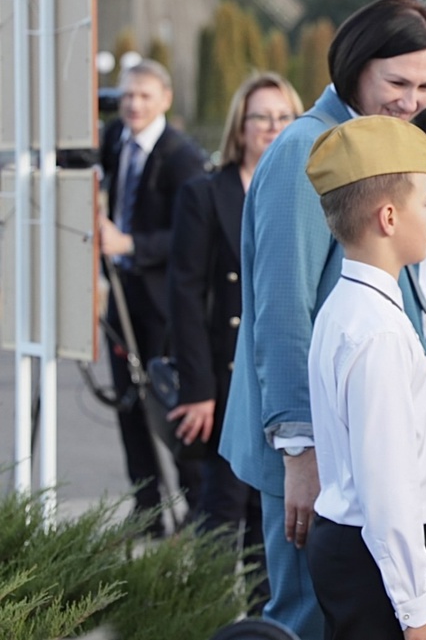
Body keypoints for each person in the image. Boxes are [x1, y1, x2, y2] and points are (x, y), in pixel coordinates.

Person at [219, 0, 426, 640]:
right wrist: (301, 451)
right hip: (318, 451)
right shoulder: (308, 149)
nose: (412, 100)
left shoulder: (384, 145)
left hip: (364, 448)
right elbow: (282, 310)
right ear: (355, 68)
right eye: (397, 81)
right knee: (307, 620)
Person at [304, 115, 426, 640]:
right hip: (377, 561)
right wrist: (418, 612)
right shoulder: (378, 332)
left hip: (360, 552)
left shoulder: (345, 306)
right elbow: (386, 488)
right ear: (388, 217)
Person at [166, 72, 303, 607]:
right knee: (220, 515)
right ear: (239, 128)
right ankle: (199, 618)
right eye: (260, 118)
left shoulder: (307, 188)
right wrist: (197, 389)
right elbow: (184, 298)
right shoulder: (203, 193)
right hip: (226, 381)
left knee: (271, 519)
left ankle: (266, 624)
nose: (272, 128)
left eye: (282, 117)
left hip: (282, 378)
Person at [98, 59, 206, 535]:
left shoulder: (181, 156)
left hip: (164, 304)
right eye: (127, 96)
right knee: (129, 405)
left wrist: (131, 244)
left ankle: (197, 514)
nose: (134, 105)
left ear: (165, 99)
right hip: (123, 299)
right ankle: (147, 513)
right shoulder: (113, 142)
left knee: (171, 407)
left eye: (144, 96)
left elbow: (192, 235)